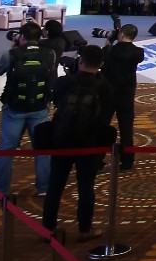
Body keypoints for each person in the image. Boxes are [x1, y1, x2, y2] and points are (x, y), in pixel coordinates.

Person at [40, 44, 113, 239]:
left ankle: (47, 228)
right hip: (89, 143)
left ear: (80, 60)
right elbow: (105, 116)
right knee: (86, 186)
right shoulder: (104, 87)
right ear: (101, 64)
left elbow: (56, 102)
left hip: (61, 139)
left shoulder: (65, 82)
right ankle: (85, 229)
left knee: (55, 186)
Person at [0, 25, 58, 197]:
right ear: (39, 38)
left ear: (21, 37)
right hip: (40, 107)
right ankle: (44, 187)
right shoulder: (50, 54)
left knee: (7, 149)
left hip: (14, 109)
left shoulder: (10, 55)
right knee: (42, 148)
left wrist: (14, 49)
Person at [100, 23, 144, 170]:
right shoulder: (138, 52)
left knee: (102, 126)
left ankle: (97, 159)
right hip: (126, 94)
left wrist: (109, 40)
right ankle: (127, 160)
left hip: (108, 93)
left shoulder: (110, 50)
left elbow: (104, 60)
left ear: (121, 35)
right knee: (126, 128)